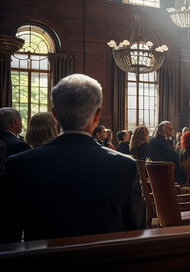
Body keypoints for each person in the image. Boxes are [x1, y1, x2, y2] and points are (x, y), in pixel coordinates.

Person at [0, 74, 145, 242]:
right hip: (105, 265)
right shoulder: (125, 166)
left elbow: (8, 234)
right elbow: (136, 230)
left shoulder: (19, 164)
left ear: (54, 115)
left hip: (41, 265)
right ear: (97, 115)